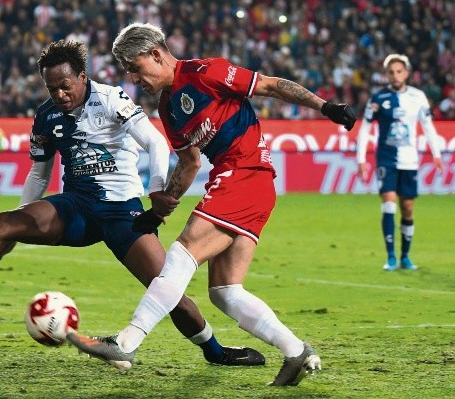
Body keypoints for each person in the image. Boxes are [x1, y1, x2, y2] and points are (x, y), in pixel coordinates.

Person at [0, 40, 265, 367]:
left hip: (123, 213)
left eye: (65, 85)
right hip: (76, 207)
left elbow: (155, 143)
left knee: (168, 292)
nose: (59, 94)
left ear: (82, 77)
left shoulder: (112, 99)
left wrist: (156, 190)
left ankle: (215, 351)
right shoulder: (46, 116)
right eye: (51, 88)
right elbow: (39, 174)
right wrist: (19, 227)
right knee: (6, 221)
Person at [66, 22, 356, 387]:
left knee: (182, 253)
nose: (134, 78)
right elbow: (189, 163)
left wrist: (324, 106)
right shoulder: (168, 108)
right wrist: (159, 209)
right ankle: (296, 351)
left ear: (156, 54)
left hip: (245, 174)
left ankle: (126, 343)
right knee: (225, 292)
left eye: (136, 68)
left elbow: (270, 85)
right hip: (245, 183)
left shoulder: (207, 72)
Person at [356, 54, 444, 271]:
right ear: (386, 75)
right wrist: (361, 159)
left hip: (409, 160)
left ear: (406, 73)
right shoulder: (378, 98)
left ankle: (405, 256)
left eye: (399, 71)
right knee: (388, 203)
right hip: (386, 159)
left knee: (407, 208)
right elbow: (365, 128)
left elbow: (428, 126)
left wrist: (437, 154)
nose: (395, 75)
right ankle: (391, 257)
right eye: (391, 72)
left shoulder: (418, 97)